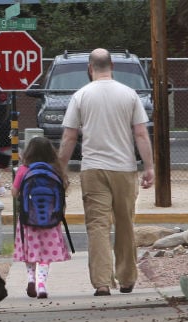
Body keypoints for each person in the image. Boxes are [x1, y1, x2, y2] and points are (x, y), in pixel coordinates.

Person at [58, 48, 154, 296]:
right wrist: (149, 166)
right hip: (124, 168)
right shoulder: (129, 94)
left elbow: (69, 137)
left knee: (98, 225)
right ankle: (126, 278)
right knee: (125, 223)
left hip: (93, 168)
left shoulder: (81, 96)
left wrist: (61, 169)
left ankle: (101, 282)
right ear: (112, 65)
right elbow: (141, 133)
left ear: (90, 68)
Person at [11, 137, 72, 299]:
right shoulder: (56, 170)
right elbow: (62, 192)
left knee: (31, 251)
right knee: (45, 255)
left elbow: (14, 192)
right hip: (50, 221)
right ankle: (41, 284)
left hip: (28, 220)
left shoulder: (23, 170)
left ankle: (30, 278)